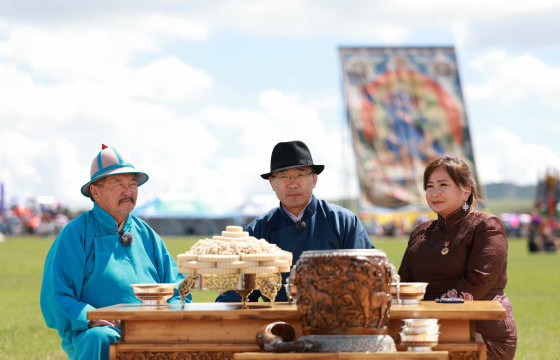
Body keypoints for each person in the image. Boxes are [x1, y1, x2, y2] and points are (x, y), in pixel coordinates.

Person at [40, 145, 190, 360]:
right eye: (118, 184)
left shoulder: (147, 234)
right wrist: (91, 317)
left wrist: (171, 315)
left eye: (132, 184)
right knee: (101, 337)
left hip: (149, 328)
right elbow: (55, 296)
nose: (128, 191)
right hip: (99, 330)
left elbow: (177, 286)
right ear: (95, 191)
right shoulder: (74, 234)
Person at [217, 140, 374, 303]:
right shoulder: (256, 232)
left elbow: (367, 281)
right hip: (277, 325)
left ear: (314, 179)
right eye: (283, 176)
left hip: (334, 323)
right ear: (271, 183)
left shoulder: (344, 223)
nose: (292, 184)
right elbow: (234, 296)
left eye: (300, 175)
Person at [398, 155, 517, 360]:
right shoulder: (421, 231)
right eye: (429, 186)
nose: (434, 192)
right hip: (424, 329)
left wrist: (430, 313)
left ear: (466, 190)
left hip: (480, 331)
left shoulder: (485, 225)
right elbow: (403, 283)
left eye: (443, 185)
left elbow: (478, 281)